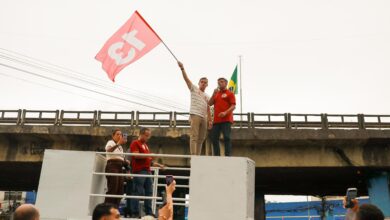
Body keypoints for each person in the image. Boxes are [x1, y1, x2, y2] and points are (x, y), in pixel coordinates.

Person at [129, 127, 165, 218]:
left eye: (149, 136)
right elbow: (136, 155)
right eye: (146, 135)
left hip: (147, 170)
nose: (148, 137)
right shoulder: (135, 143)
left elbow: (149, 160)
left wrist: (159, 165)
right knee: (137, 191)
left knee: (149, 192)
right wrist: (148, 155)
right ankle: (135, 212)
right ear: (140, 134)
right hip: (139, 170)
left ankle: (148, 211)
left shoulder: (145, 145)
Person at [178, 61, 212, 155]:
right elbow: (186, 79)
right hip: (195, 114)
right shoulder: (194, 89)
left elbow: (209, 108)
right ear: (199, 83)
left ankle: (198, 154)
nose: (204, 84)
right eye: (202, 82)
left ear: (207, 85)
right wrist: (182, 68)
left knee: (201, 137)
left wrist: (210, 120)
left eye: (205, 83)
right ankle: (193, 155)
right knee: (194, 136)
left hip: (204, 117)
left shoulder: (208, 96)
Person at [208, 77, 236, 156]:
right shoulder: (216, 94)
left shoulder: (230, 93)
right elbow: (210, 103)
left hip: (226, 120)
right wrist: (213, 94)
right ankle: (217, 155)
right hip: (216, 121)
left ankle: (228, 155)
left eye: (222, 81)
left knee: (226, 137)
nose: (220, 83)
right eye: (218, 82)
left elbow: (233, 106)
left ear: (226, 83)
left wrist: (225, 112)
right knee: (214, 138)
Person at [104, 129, 129, 206]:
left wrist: (126, 162)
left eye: (120, 134)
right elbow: (109, 150)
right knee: (113, 188)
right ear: (113, 136)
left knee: (120, 190)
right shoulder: (110, 142)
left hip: (119, 167)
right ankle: (107, 208)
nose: (119, 136)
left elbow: (120, 158)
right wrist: (118, 144)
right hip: (112, 166)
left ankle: (115, 207)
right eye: (117, 134)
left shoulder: (120, 147)